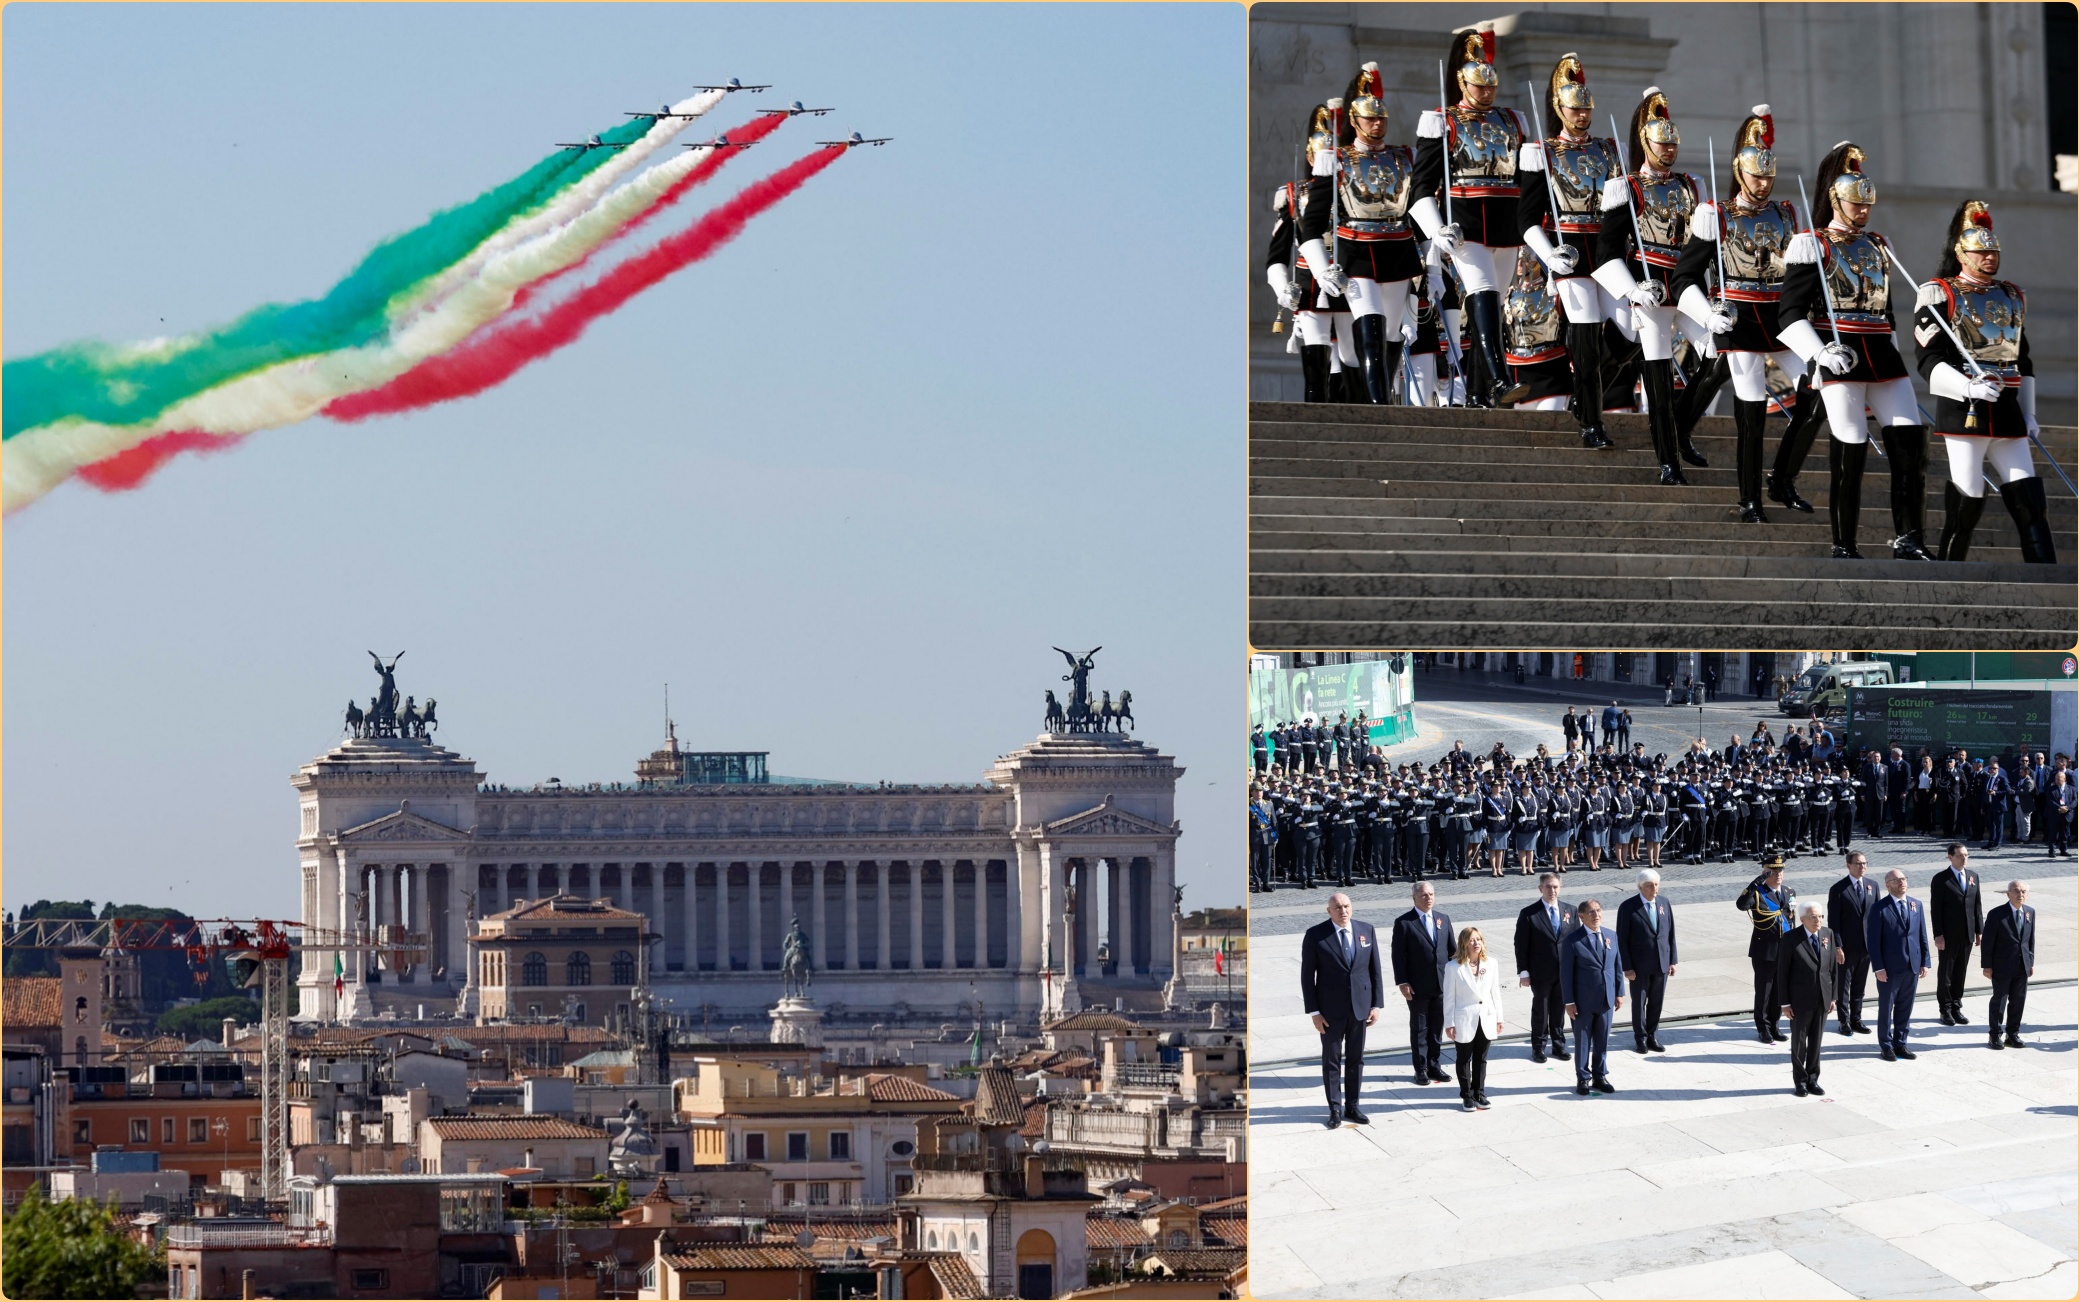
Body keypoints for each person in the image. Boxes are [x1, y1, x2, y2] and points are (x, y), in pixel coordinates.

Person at [1777, 141, 1932, 560]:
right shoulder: (1813, 244)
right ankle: (1844, 542)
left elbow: (1888, 312)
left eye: (1867, 204)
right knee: (1851, 445)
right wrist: (1819, 354)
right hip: (1838, 351)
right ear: (1836, 199)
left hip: (1882, 353)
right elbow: (1788, 313)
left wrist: (1899, 356)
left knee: (1908, 445)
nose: (1863, 211)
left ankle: (1910, 538)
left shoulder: (1880, 245)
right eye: (1855, 203)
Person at [1671, 104, 1814, 522]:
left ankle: (1783, 477)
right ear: (1740, 170)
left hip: (1783, 319)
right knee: (1750, 411)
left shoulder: (1788, 213)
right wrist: (1707, 314)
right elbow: (1684, 277)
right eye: (1757, 174)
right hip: (1739, 318)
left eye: (1769, 175)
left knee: (1818, 390)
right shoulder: (1715, 215)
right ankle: (1749, 499)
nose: (1764, 182)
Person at [1915, 200, 2057, 562]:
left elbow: (2021, 360)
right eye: (1981, 251)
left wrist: (2030, 412)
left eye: (1993, 250)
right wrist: (1966, 387)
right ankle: (1949, 566)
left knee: (2028, 496)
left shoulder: (2011, 295)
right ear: (1961, 254)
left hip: (2008, 408)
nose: (1990, 257)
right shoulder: (1940, 293)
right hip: (1967, 409)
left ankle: (2045, 569)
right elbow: (1929, 360)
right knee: (1969, 492)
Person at [1410, 26, 1534, 408]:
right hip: (1465, 225)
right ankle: (1499, 381)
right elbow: (1420, 188)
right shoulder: (1441, 121)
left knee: (1493, 309)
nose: (1486, 92)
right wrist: (1436, 228)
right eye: (1479, 86)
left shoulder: (1513, 120)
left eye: (1491, 86)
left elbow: (1526, 182)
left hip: (1507, 225)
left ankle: (1478, 393)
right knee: (1482, 294)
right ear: (1462, 83)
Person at [1592, 86, 1701, 484]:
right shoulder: (1627, 186)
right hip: (1647, 284)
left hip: (1686, 284)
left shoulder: (1692, 186)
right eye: (1662, 143)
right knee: (1654, 371)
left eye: (1673, 143)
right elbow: (1607, 251)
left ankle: (1682, 428)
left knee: (1716, 356)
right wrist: (1631, 289)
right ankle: (1668, 462)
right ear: (1645, 141)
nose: (1669, 150)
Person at [1517, 52, 1625, 447]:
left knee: (1630, 331)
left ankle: (1584, 393)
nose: (1582, 115)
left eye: (1586, 108)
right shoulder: (1541, 153)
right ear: (1559, 108)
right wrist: (1549, 256)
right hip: (1570, 251)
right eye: (1574, 109)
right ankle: (1592, 424)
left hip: (1610, 251)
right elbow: (1526, 219)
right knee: (1585, 335)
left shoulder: (1611, 149)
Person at [1300, 893, 1383, 1127]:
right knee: (1332, 1060)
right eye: (1337, 907)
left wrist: (1376, 1004)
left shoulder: (1366, 930)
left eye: (1346, 906)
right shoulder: (1316, 935)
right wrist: (1314, 1012)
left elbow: (1375, 970)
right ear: (1329, 911)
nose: (1343, 911)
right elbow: (1307, 977)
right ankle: (1335, 1108)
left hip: (1360, 1009)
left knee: (1356, 1060)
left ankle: (1353, 1106)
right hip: (1330, 1012)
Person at [1390, 881, 1455, 1088]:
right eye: (1424, 895)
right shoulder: (1404, 923)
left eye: (1431, 894)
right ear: (1414, 898)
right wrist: (1402, 981)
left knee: (1436, 1028)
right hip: (1417, 986)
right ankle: (1421, 1069)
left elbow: (1452, 950)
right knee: (1419, 1028)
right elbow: (1398, 956)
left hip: (1441, 984)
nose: (1429, 898)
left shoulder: (1443, 919)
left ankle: (1435, 1065)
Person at [1776, 901, 1843, 1096]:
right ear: (1802, 919)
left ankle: (1813, 1078)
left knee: (1816, 1042)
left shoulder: (1827, 934)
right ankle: (1800, 1081)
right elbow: (1783, 973)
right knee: (1799, 1043)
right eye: (1813, 917)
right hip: (1799, 1000)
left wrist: (1833, 997)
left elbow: (1832, 968)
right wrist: (1785, 1003)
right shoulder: (1790, 939)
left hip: (1822, 998)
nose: (1818, 920)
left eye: (1820, 916)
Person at [1867, 867, 1932, 1061]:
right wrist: (1878, 967)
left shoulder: (1916, 904)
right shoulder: (1879, 908)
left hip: (1912, 965)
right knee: (1886, 1008)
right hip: (1889, 968)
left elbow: (1922, 935)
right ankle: (1886, 1045)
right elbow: (1873, 941)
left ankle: (1901, 1043)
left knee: (1906, 1006)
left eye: (1904, 879)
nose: (1902, 882)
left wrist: (1924, 961)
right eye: (1897, 880)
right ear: (1888, 885)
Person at [1559, 897, 1623, 1094]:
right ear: (1581, 916)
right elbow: (1566, 974)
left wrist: (1619, 992)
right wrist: (1569, 1001)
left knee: (1602, 1039)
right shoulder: (1572, 940)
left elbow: (1616, 966)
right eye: (1591, 912)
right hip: (1583, 1001)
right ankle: (1583, 1077)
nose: (1596, 915)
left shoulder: (1611, 935)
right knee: (1583, 1041)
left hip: (1606, 998)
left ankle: (1600, 1075)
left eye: (1598, 911)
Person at [1513, 872, 1577, 1064]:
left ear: (1561, 887)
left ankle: (1558, 1045)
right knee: (1541, 1011)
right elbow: (1521, 944)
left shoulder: (1570, 910)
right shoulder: (1529, 913)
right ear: (1540, 888)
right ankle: (1538, 1047)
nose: (1552, 891)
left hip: (1564, 972)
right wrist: (1523, 971)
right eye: (1548, 887)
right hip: (1540, 972)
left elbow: (1575, 941)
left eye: (1555, 887)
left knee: (1559, 1010)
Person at [1443, 925, 1506, 1110]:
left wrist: (1499, 1018)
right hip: (1464, 1019)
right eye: (1471, 940)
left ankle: (1479, 1092)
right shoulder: (1453, 967)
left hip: (1485, 1017)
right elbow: (1449, 998)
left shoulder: (1491, 963)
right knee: (1463, 1059)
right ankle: (1467, 1095)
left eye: (1478, 939)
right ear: (1464, 943)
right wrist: (1449, 1023)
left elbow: (1496, 993)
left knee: (1481, 1058)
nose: (1476, 943)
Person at [1615, 866, 1677, 1053]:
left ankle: (1652, 1035)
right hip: (1639, 965)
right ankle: (1640, 1038)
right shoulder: (1628, 907)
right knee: (1639, 1003)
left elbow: (1670, 933)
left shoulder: (1664, 903)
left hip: (1661, 962)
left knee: (1657, 1002)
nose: (1654, 889)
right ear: (1640, 887)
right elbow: (1621, 939)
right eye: (1650, 885)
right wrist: (1627, 967)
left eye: (1657, 885)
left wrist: (1672, 960)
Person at [1737, 853, 1796, 1043]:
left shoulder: (1789, 892)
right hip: (1765, 950)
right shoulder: (1757, 892)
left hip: (1784, 949)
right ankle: (1762, 1028)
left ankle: (1774, 1025)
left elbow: (1791, 920)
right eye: (1773, 871)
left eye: (1780, 870)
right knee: (1764, 991)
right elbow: (1741, 905)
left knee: (1779, 990)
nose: (1778, 874)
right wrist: (1756, 882)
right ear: (1765, 872)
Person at [1929, 843, 1984, 1025]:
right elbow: (1936, 909)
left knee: (1961, 971)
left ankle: (1956, 1006)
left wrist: (1979, 930)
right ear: (1950, 857)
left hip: (1967, 933)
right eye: (1960, 855)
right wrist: (1938, 934)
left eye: (1966, 855)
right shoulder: (1941, 879)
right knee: (1946, 972)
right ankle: (1944, 1009)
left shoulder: (1973, 876)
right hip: (1948, 934)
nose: (1964, 858)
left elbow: (1977, 905)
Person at [1826, 850, 1877, 1035]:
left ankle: (1857, 1018)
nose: (1862, 867)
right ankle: (1844, 1021)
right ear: (1848, 865)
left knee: (1859, 985)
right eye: (1858, 863)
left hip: (1866, 947)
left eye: (1864, 863)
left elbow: (1876, 916)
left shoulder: (1873, 886)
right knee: (1843, 986)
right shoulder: (1839, 889)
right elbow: (1834, 922)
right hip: (1847, 947)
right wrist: (1837, 946)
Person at [1981, 879, 2036, 1049]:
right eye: (2017, 891)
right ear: (2008, 894)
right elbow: (1988, 941)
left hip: (2022, 965)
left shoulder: (2030, 912)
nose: (2021, 895)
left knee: (2018, 1000)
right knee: (2000, 1001)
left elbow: (2030, 940)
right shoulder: (1997, 913)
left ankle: (2013, 1034)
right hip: (2002, 965)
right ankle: (1995, 1035)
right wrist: (1987, 965)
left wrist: (2030, 961)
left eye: (2024, 892)